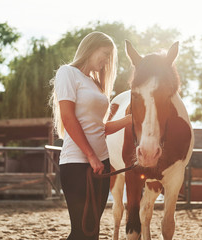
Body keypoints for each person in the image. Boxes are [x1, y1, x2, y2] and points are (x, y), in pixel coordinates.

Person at [49, 31, 131, 240]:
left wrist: (129, 120)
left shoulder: (96, 84)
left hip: (101, 163)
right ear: (90, 48)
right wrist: (91, 156)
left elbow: (99, 127)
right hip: (77, 162)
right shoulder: (67, 73)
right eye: (104, 54)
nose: (105, 61)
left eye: (108, 57)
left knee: (93, 230)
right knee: (80, 230)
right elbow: (68, 118)